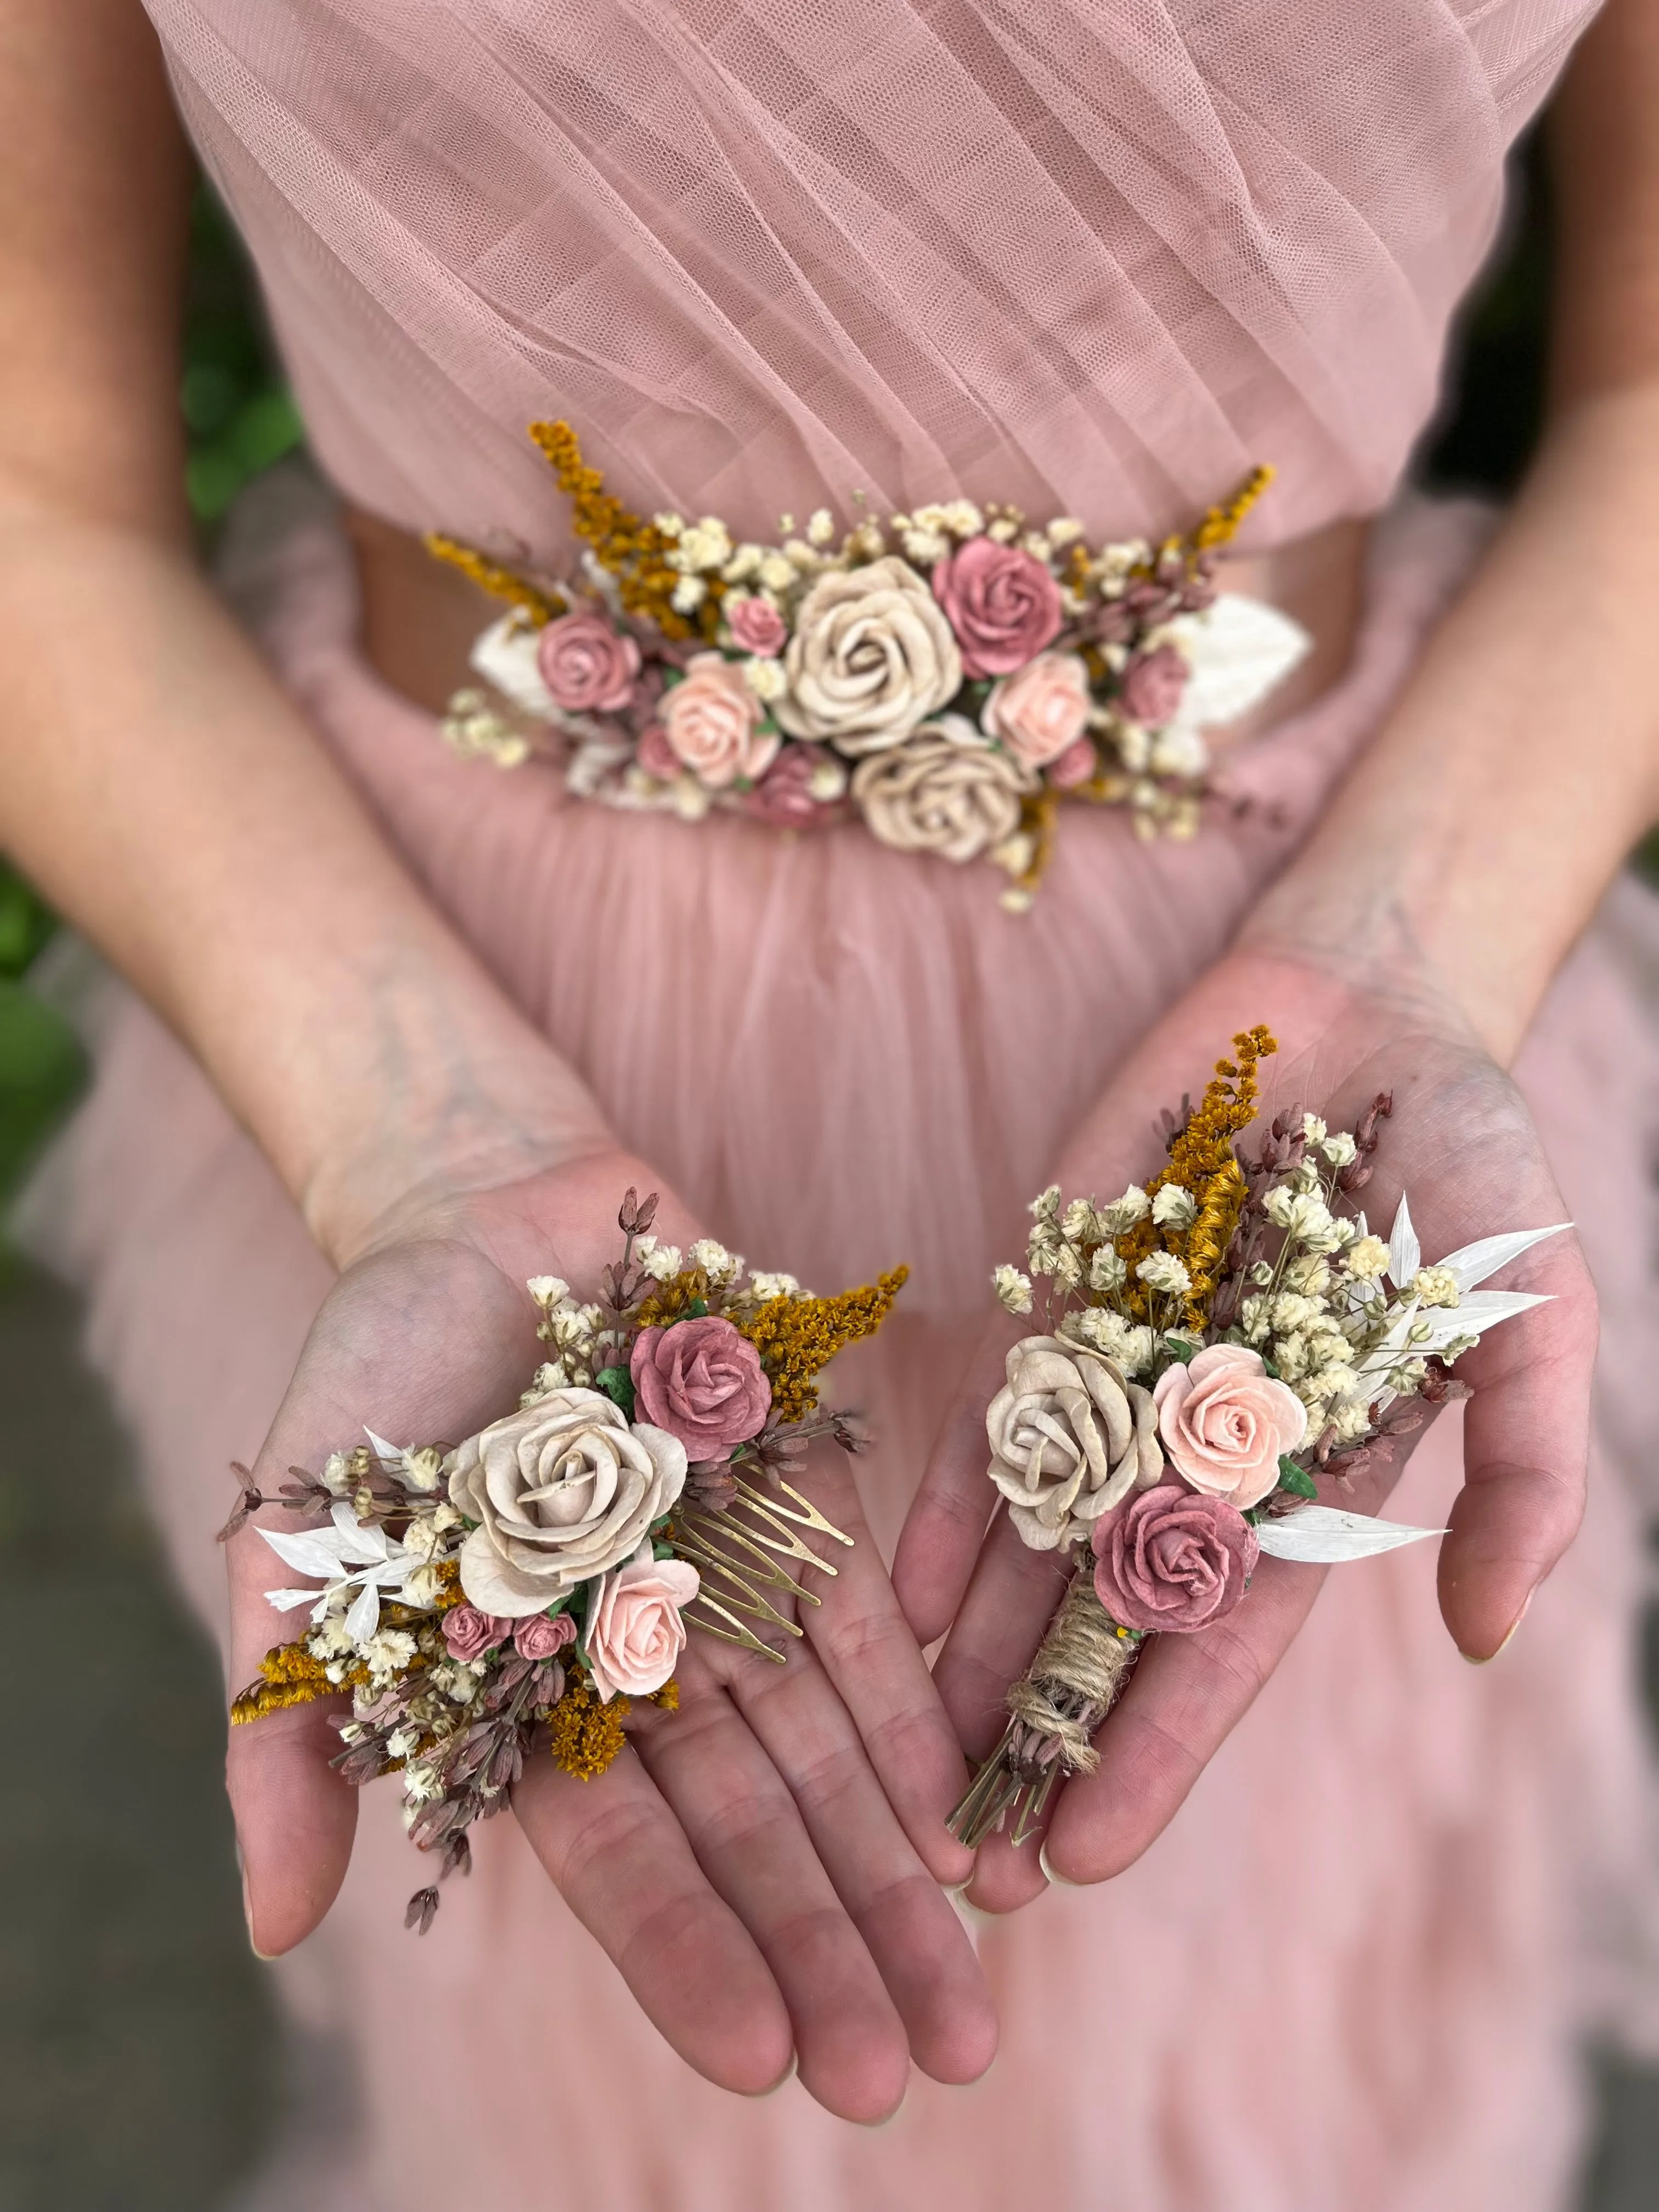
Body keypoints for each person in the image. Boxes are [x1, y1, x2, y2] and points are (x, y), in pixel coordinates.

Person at [3, 0, 1657, 2203]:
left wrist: (1418, 951)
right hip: (429, 998)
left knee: (1267, 2014)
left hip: (1292, 1118)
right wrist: (406, 1122)